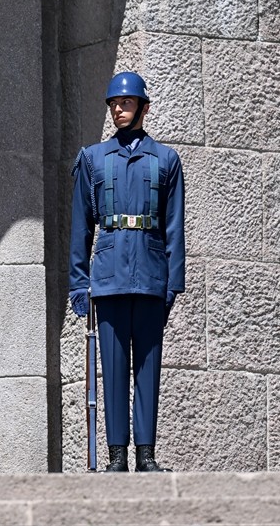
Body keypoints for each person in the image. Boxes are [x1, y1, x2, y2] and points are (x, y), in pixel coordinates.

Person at [68, 71, 185, 473]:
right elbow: (80, 227)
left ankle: (146, 455)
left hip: (152, 275)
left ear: (143, 108)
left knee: (147, 369)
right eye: (115, 103)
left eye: (127, 103)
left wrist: (175, 283)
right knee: (113, 369)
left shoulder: (166, 159)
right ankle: (117, 456)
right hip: (110, 275)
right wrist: (78, 282)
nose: (119, 109)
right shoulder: (92, 158)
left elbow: (174, 226)